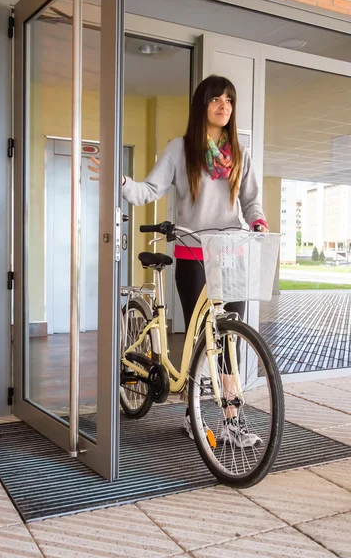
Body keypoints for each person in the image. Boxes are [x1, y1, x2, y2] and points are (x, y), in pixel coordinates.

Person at [89, 75, 268, 447]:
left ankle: (231, 421)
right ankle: (193, 414)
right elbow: (148, 190)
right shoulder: (180, 149)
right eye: (216, 99)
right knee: (199, 338)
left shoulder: (240, 152)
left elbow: (251, 201)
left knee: (228, 340)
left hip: (230, 252)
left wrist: (259, 221)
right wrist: (118, 180)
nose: (224, 106)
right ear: (201, 105)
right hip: (193, 253)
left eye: (229, 101)